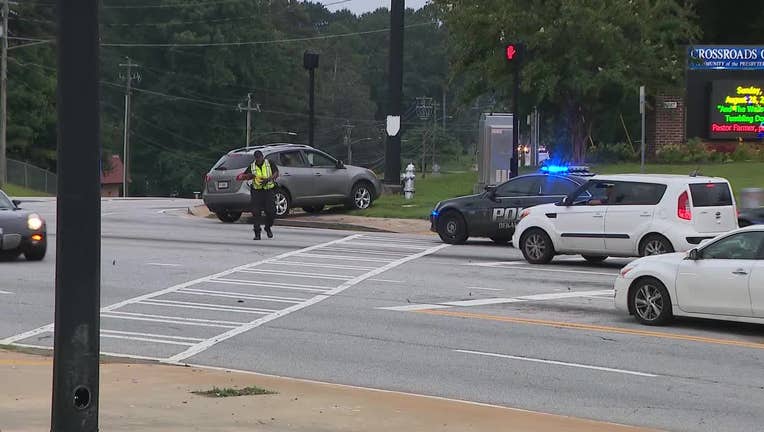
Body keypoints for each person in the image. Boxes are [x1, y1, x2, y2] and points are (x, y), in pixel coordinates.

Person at [241, 150, 279, 240]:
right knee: (256, 212)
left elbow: (276, 173)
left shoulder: (269, 163)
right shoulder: (252, 166)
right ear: (255, 158)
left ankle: (267, 227)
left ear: (262, 157)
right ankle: (257, 233)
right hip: (256, 191)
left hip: (268, 190)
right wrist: (250, 176)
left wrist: (269, 179)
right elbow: (244, 176)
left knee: (271, 211)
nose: (259, 159)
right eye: (257, 158)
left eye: (260, 157)